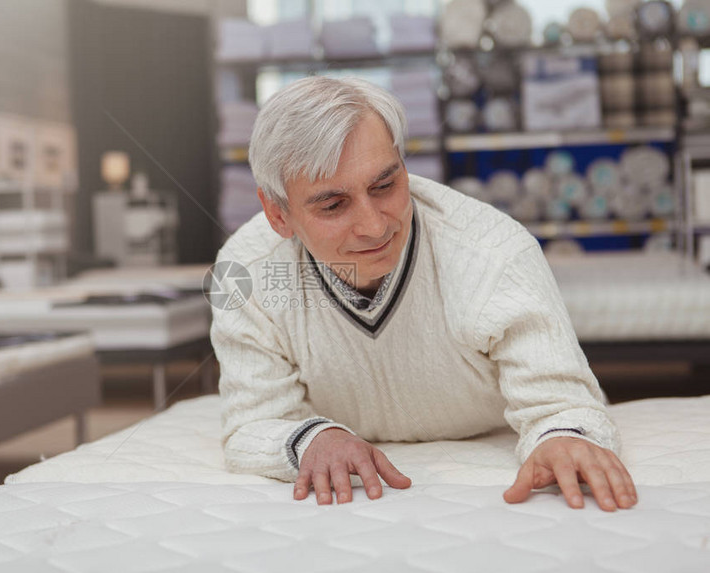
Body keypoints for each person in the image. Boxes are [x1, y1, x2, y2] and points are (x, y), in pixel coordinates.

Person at [208, 76, 637, 511]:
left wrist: (561, 438)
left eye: (385, 186)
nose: (375, 226)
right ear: (278, 215)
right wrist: (314, 438)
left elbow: (565, 404)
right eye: (333, 205)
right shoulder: (245, 273)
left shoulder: (493, 252)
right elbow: (252, 423)